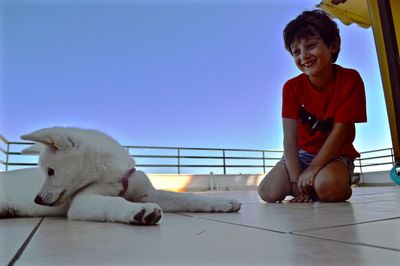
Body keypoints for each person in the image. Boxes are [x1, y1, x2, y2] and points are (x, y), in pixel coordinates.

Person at [258, 10, 367, 203]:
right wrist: (295, 179)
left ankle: (336, 183)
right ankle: (308, 186)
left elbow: (340, 131)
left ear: (333, 45)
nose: (304, 56)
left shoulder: (350, 79)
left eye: (311, 46)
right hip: (302, 155)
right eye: (296, 52)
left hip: (336, 155)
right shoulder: (291, 88)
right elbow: (289, 139)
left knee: (328, 187)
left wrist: (313, 169)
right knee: (268, 192)